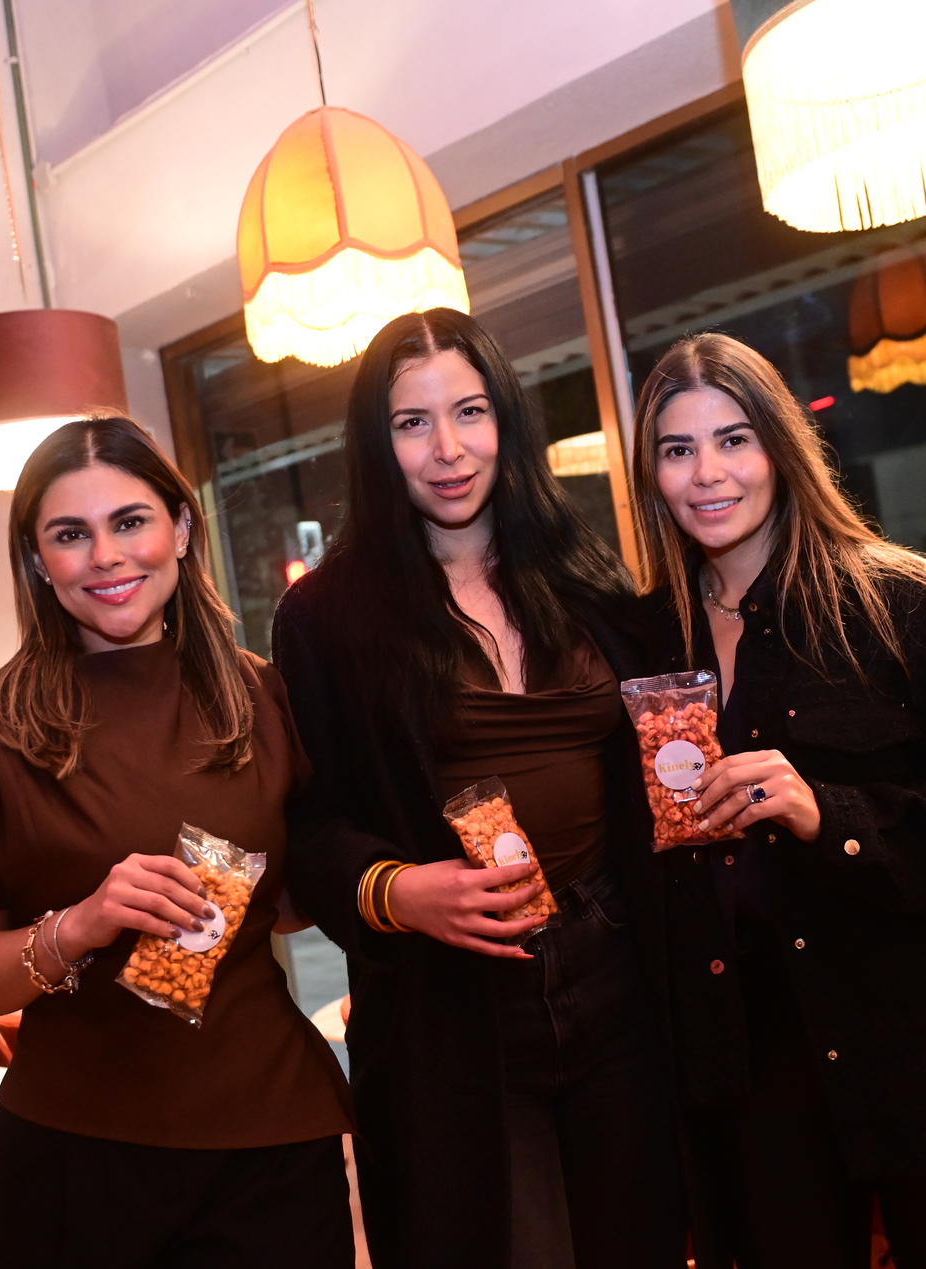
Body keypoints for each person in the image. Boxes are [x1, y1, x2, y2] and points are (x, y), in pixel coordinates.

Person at [626, 333, 926, 1269]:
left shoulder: (905, 607)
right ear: (651, 475)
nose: (708, 473)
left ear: (784, 449)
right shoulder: (638, 639)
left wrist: (825, 814)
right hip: (753, 1062)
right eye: (678, 450)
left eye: (735, 439)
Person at [272, 308, 685, 1269]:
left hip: (616, 968)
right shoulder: (325, 615)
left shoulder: (583, 576)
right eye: (412, 423)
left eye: (470, 411)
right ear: (377, 447)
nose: (448, 450)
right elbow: (306, 820)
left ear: (507, 418)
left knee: (642, 1240)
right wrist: (396, 890)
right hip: (451, 1008)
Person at [0, 416, 353, 1269]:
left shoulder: (264, 696)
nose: (106, 555)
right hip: (80, 1153)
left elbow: (296, 899)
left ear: (180, 529)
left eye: (131, 521)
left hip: (271, 1134)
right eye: (71, 534)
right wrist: (78, 924)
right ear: (38, 559)